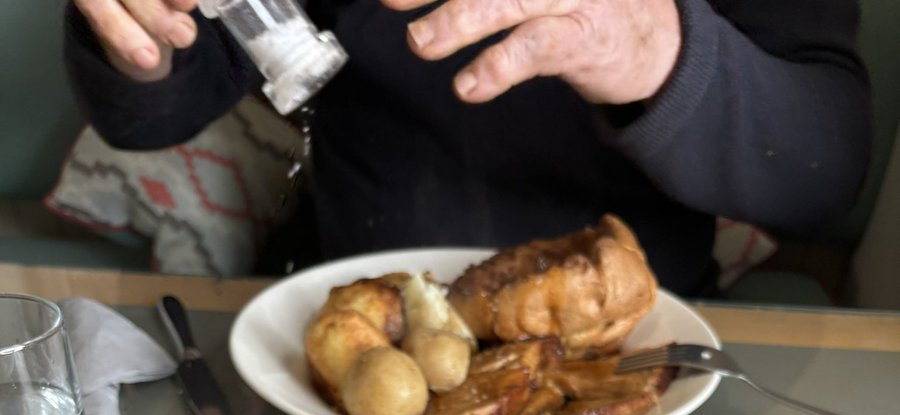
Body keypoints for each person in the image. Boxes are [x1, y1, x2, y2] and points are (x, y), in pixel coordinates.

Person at [63, 0, 872, 296]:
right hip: (351, 328)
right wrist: (143, 39)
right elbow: (154, 113)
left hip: (632, 356)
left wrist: (649, 48)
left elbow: (820, 171)